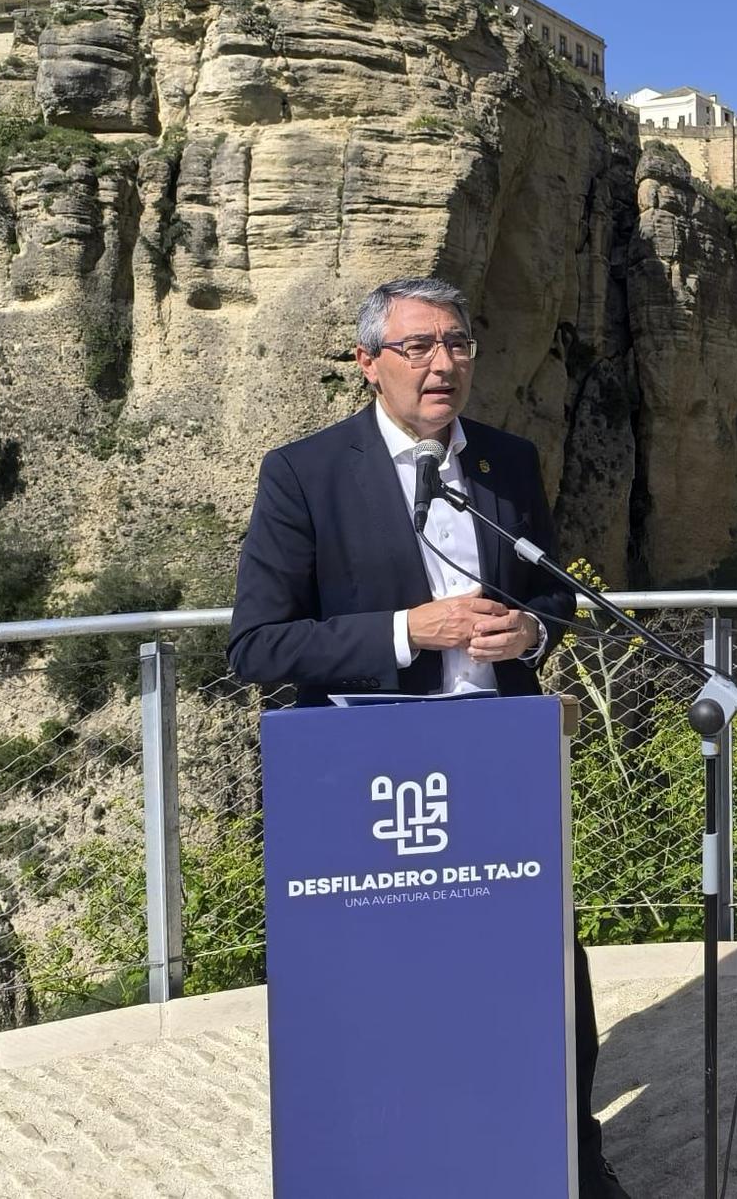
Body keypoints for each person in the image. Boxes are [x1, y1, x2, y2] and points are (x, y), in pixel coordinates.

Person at [228, 276, 628, 1199]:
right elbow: (257, 642)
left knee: (545, 980)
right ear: (370, 364)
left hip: (501, 764)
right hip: (373, 777)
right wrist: (413, 631)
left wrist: (531, 633)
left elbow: (552, 598)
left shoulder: (508, 462)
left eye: (456, 344)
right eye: (416, 347)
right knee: (394, 997)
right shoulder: (305, 473)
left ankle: (571, 1148)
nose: (442, 364)